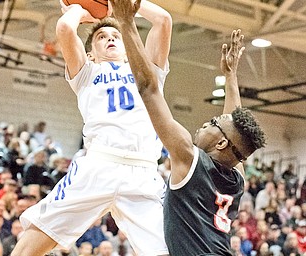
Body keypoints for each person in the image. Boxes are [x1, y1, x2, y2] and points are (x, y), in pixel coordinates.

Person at [11, 0, 172, 255]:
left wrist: (121, 5)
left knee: (169, 249)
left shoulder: (147, 70)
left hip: (143, 173)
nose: (110, 39)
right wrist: (79, 10)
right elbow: (65, 28)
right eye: (101, 36)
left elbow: (163, 20)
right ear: (90, 53)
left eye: (116, 36)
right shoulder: (86, 72)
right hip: (98, 166)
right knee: (38, 234)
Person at [110, 0, 267, 254]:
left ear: (221, 143)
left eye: (213, 123)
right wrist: (230, 77)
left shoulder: (189, 158)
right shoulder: (237, 178)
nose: (206, 123)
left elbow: (148, 89)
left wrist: (127, 23)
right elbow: (234, 125)